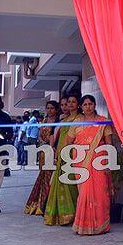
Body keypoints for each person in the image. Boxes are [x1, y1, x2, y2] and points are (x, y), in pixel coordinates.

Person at [69, 94, 114, 235]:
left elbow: (109, 143)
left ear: (94, 105)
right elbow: (68, 143)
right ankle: (83, 224)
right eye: (85, 104)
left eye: (90, 104)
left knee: (100, 192)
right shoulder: (76, 123)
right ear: (81, 107)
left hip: (99, 162)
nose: (88, 107)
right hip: (81, 162)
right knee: (84, 193)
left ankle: (100, 225)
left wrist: (108, 162)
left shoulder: (103, 122)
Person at [44, 94, 82, 226]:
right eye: (68, 102)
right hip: (62, 153)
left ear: (78, 104)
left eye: (73, 102)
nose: (70, 104)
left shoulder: (80, 119)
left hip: (74, 154)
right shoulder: (64, 118)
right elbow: (56, 136)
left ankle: (74, 214)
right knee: (60, 182)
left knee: (72, 183)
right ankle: (62, 214)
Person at [24, 100, 59, 215]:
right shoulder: (44, 120)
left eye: (52, 108)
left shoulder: (58, 122)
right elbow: (39, 135)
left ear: (56, 109)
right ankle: (40, 204)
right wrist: (42, 142)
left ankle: (48, 204)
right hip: (44, 152)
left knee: (50, 178)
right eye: (48, 108)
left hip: (53, 151)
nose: (50, 110)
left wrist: (50, 144)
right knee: (43, 177)